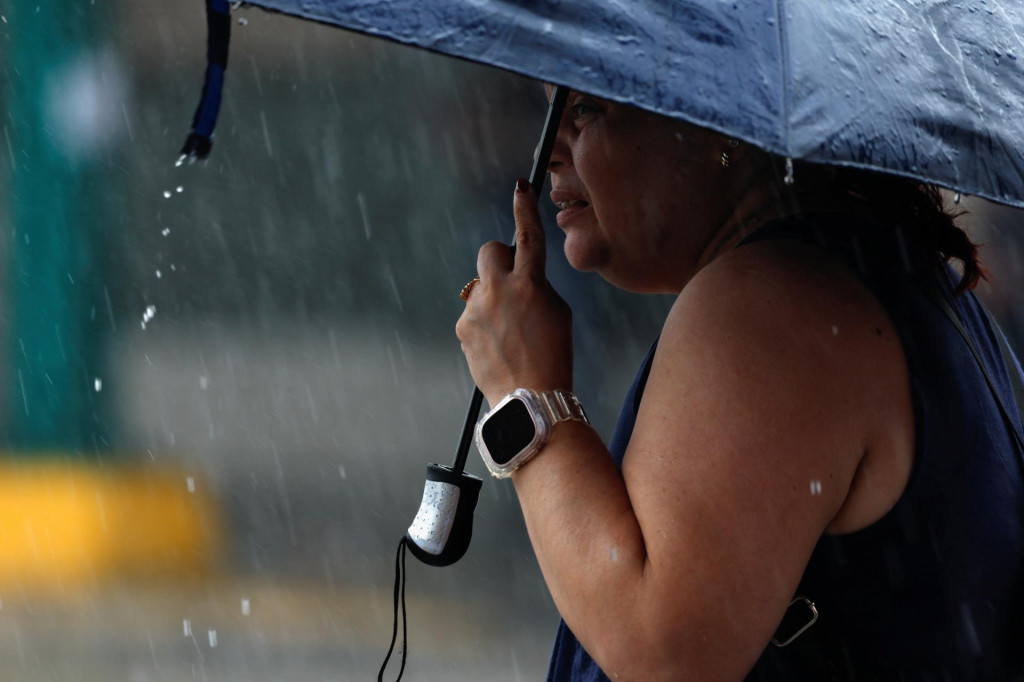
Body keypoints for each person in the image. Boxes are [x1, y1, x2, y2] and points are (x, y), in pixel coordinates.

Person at [455, 89, 1024, 681]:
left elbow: (663, 656)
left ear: (714, 122)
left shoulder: (771, 301)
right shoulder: (883, 270)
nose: (550, 150)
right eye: (552, 109)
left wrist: (527, 393)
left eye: (587, 110)